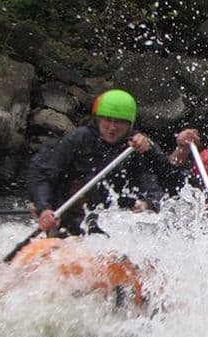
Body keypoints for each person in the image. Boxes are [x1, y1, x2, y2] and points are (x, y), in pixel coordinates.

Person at [26, 89, 168, 236]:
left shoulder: (138, 147)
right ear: (98, 119)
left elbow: (165, 180)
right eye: (107, 119)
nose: (112, 127)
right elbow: (41, 172)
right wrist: (44, 207)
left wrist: (148, 203)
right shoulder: (79, 139)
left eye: (119, 121)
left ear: (129, 124)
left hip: (114, 222)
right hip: (68, 219)